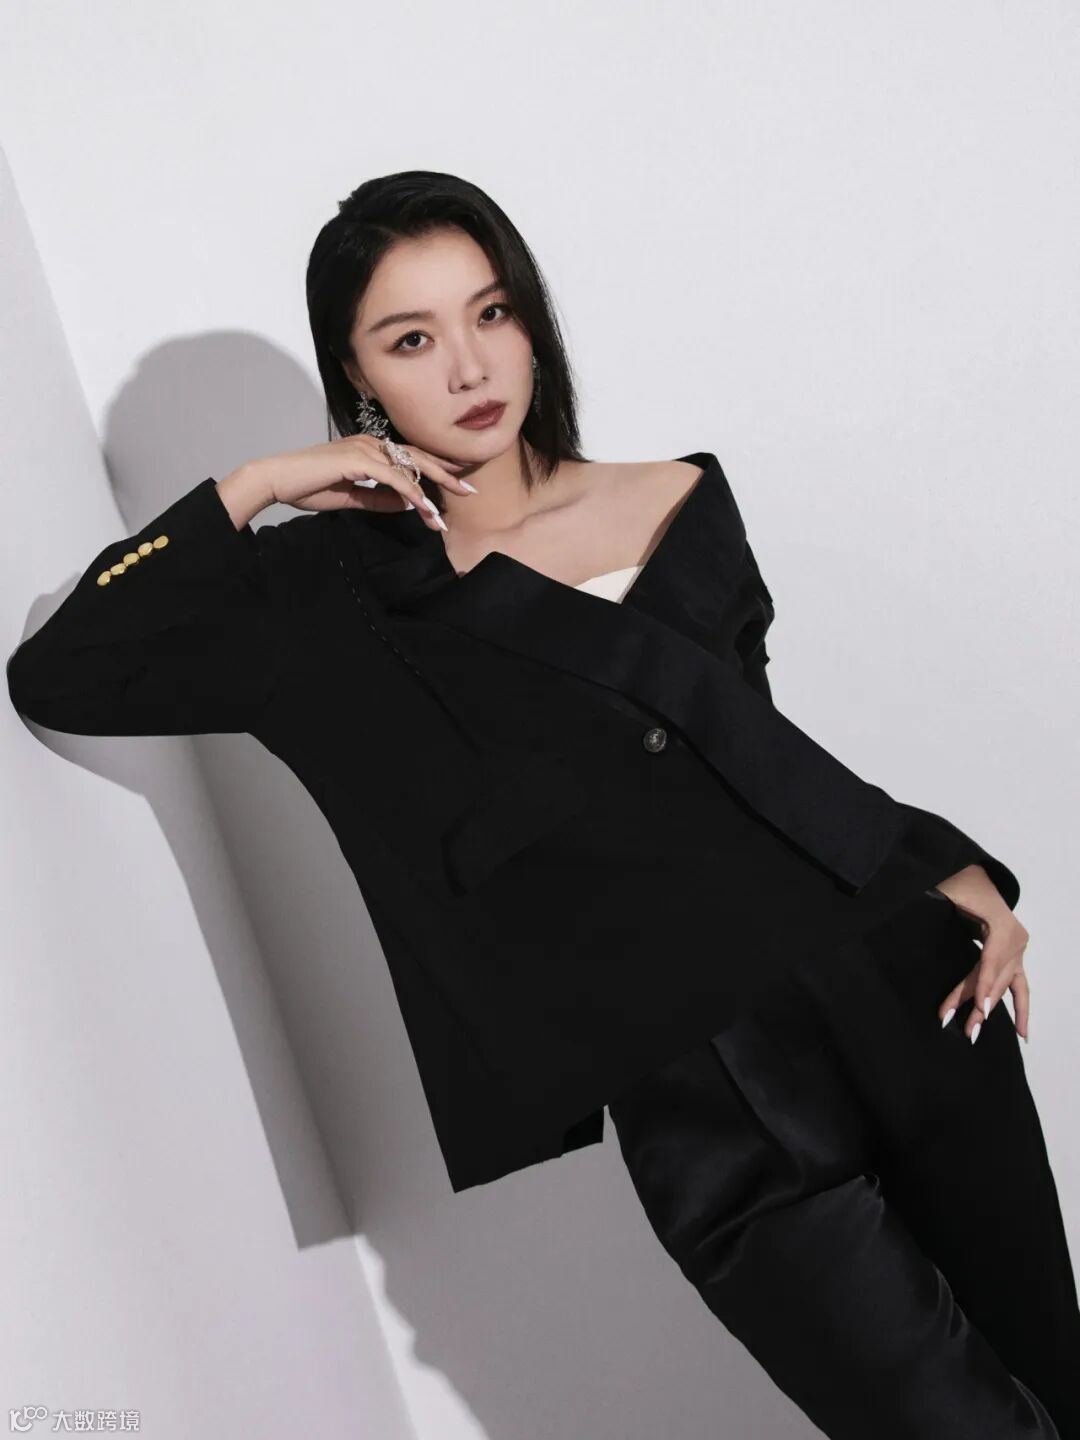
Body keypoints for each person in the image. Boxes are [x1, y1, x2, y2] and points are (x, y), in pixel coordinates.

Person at [8, 170, 1078, 1436]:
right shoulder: (330, 597)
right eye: (412, 340)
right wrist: (258, 485)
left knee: (1054, 1386)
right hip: (702, 1097)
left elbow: (760, 755)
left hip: (901, 987)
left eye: (492, 313)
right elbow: (66, 671)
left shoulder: (676, 499)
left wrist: (948, 868)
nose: (470, 366)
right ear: (358, 376)